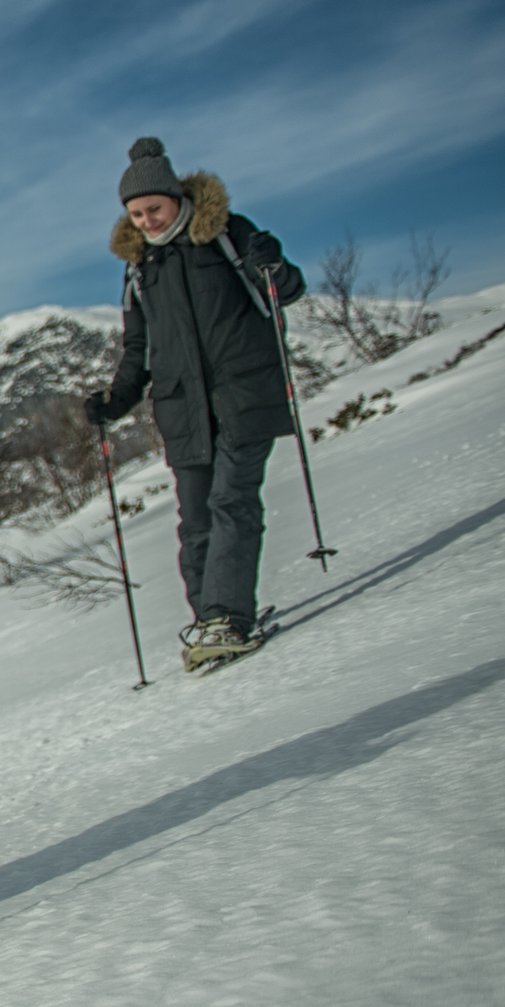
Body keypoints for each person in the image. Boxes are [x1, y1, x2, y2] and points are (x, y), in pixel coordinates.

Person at [85, 138, 305, 670]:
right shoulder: (141, 267)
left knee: (232, 502)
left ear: (176, 196)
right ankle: (209, 618)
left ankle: (227, 617)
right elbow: (140, 348)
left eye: (153, 209)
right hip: (183, 409)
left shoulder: (228, 235)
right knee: (195, 520)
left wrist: (272, 264)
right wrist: (117, 399)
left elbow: (286, 290)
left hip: (243, 393)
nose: (147, 221)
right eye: (136, 215)